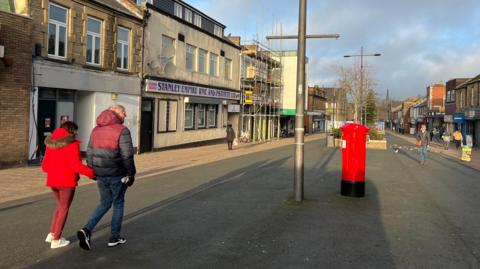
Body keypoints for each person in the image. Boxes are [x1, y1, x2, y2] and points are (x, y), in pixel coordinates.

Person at [77, 105, 136, 250]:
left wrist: (93, 171)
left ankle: (87, 229)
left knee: (104, 203)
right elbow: (127, 155)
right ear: (115, 113)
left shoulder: (96, 130)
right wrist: (131, 174)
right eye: (123, 112)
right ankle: (114, 237)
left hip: (101, 175)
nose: (125, 115)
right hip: (118, 174)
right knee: (118, 203)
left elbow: (89, 152)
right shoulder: (122, 130)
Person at [42, 121, 95, 249]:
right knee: (64, 209)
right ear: (71, 131)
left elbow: (44, 166)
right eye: (76, 130)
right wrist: (92, 174)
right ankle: (56, 240)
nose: (77, 133)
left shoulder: (51, 144)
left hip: (53, 181)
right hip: (66, 181)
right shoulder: (72, 145)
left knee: (60, 207)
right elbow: (76, 166)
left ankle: (52, 234)